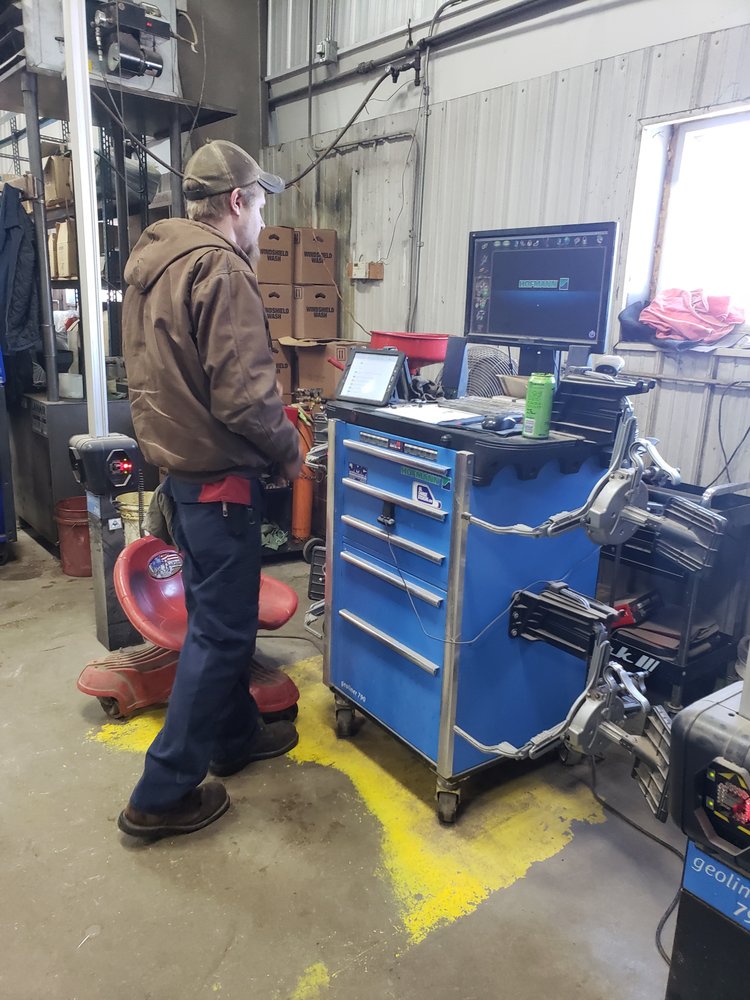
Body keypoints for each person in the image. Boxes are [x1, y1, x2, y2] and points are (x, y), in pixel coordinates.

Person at [118, 140, 304, 839]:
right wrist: (289, 453)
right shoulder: (221, 267)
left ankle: (235, 735)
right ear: (236, 201)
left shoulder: (154, 264)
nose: (262, 221)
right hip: (222, 484)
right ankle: (161, 794)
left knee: (212, 620)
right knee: (224, 636)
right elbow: (245, 397)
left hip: (183, 479)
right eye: (259, 205)